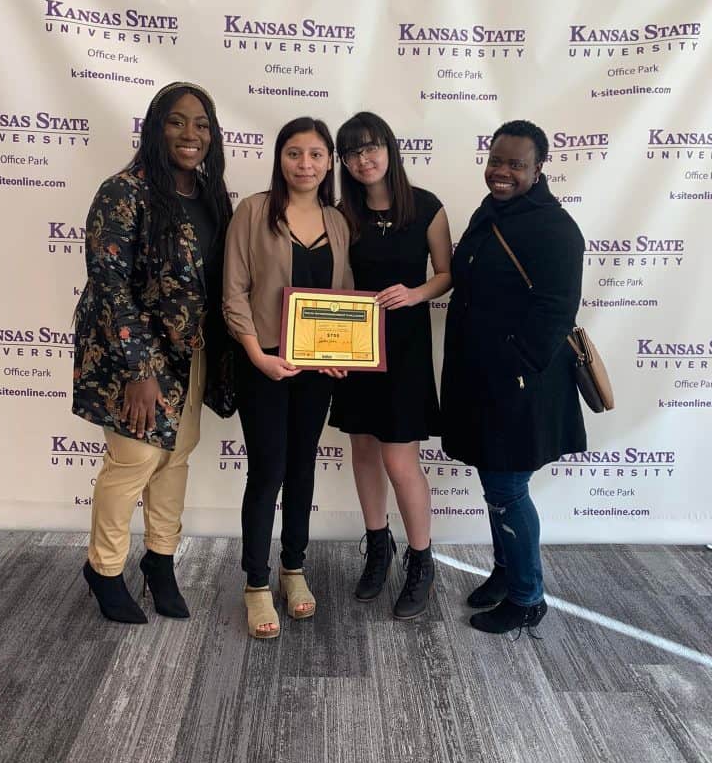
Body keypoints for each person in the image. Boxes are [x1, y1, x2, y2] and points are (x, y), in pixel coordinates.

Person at [73, 82, 233, 624]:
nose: (191, 134)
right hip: (134, 353)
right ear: (155, 126)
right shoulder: (123, 191)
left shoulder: (213, 195)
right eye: (177, 121)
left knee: (176, 456)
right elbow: (109, 286)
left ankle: (160, 561)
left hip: (192, 349)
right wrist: (139, 369)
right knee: (135, 459)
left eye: (202, 124)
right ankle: (105, 568)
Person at [440, 119, 586, 635]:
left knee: (507, 487)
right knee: (494, 482)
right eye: (496, 161)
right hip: (480, 377)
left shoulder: (554, 228)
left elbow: (556, 311)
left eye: (515, 165)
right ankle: (505, 573)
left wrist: (514, 370)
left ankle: (528, 597)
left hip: (519, 385)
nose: (501, 172)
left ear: (539, 168)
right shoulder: (491, 211)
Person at [223, 117, 352, 640]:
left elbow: (343, 298)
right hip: (264, 364)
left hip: (317, 370)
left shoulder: (339, 221)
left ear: (329, 162)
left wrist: (340, 352)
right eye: (295, 153)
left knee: (302, 468)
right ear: (280, 158)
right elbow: (234, 292)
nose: (306, 164)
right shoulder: (253, 211)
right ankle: (256, 583)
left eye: (317, 154)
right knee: (268, 470)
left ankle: (292, 569)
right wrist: (257, 355)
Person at [330, 112, 452, 620]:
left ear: (390, 147)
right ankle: (378, 546)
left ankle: (421, 559)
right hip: (355, 343)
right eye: (353, 152)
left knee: (400, 460)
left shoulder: (426, 206)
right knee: (362, 449)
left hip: (404, 346)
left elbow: (446, 274)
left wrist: (415, 292)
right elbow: (331, 284)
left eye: (371, 147)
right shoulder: (339, 213)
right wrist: (325, 347)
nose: (364, 159)